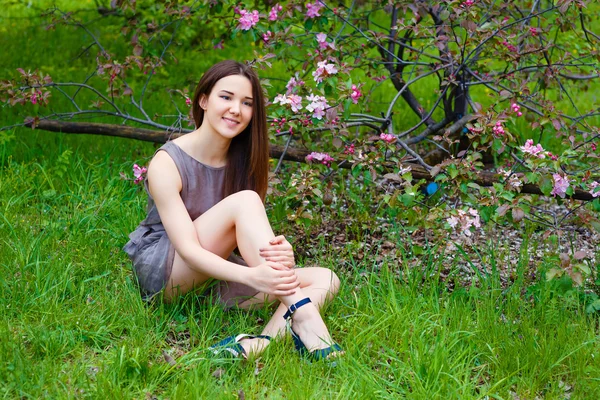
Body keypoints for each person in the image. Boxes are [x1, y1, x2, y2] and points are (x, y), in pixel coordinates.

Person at [124, 60, 341, 360]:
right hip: (168, 272)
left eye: (247, 103)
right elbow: (187, 249)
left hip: (216, 272)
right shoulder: (167, 162)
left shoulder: (244, 160)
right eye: (226, 97)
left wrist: (280, 254)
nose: (236, 109)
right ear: (203, 100)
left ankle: (256, 344)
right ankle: (305, 320)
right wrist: (255, 278)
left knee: (326, 278)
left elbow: (246, 235)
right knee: (246, 201)